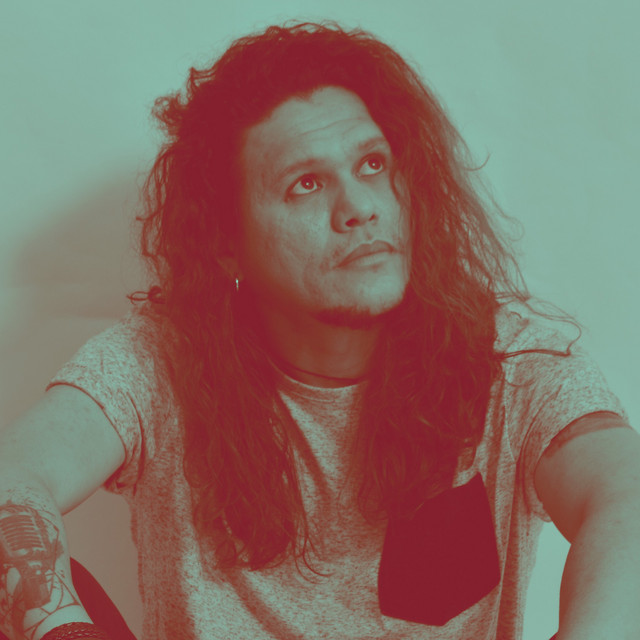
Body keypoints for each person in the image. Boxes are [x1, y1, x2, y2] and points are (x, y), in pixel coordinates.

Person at [0, 20, 638, 640]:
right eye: (305, 184)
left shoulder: (509, 360)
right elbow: (13, 481)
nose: (360, 207)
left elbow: (625, 495)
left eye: (372, 165)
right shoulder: (162, 361)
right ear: (226, 243)